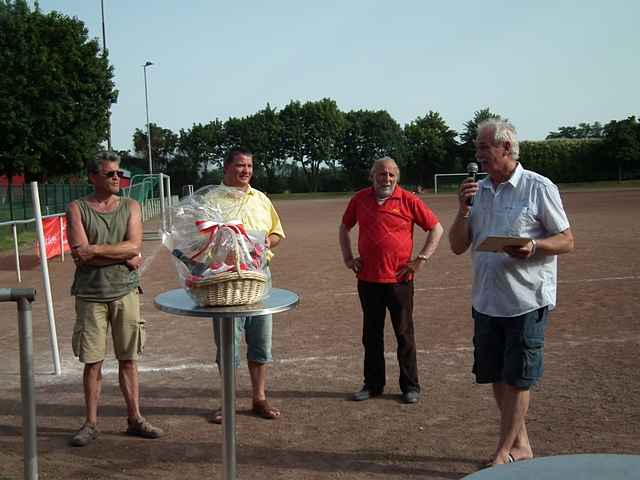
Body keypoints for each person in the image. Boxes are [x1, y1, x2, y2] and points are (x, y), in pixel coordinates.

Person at [448, 119, 574, 467]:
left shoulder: (538, 187)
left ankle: (503, 452)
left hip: (526, 300)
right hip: (487, 300)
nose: (478, 155)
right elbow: (458, 246)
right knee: (497, 374)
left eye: (483, 147)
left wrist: (533, 246)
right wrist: (462, 209)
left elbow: (567, 239)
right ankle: (522, 446)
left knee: (518, 378)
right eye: (477, 148)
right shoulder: (478, 190)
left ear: (506, 148)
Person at [67, 151, 163, 447]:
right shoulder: (77, 208)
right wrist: (121, 255)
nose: (117, 178)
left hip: (126, 292)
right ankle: (91, 423)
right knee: (92, 362)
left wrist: (95, 251)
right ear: (93, 177)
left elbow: (133, 245)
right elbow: (78, 253)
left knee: (128, 360)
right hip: (90, 295)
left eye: (119, 174)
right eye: (110, 174)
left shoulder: (131, 206)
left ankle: (135, 418)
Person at [339, 157, 443, 404]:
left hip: (399, 280)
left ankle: (410, 386)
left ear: (397, 177)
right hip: (368, 280)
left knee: (404, 333)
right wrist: (348, 257)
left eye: (391, 175)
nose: (386, 179)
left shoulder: (408, 200)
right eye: (382, 174)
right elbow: (344, 227)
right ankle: (373, 385)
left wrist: (421, 258)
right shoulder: (360, 199)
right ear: (372, 176)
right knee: (371, 335)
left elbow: (436, 228)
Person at [206, 146, 286, 423]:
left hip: (259, 278)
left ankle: (259, 397)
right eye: (241, 166)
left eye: (250, 166)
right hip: (225, 280)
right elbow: (199, 241)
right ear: (227, 167)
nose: (246, 171)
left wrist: (265, 242)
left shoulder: (261, 199)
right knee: (228, 345)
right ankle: (226, 400)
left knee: (260, 342)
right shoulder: (211, 199)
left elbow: (276, 233)